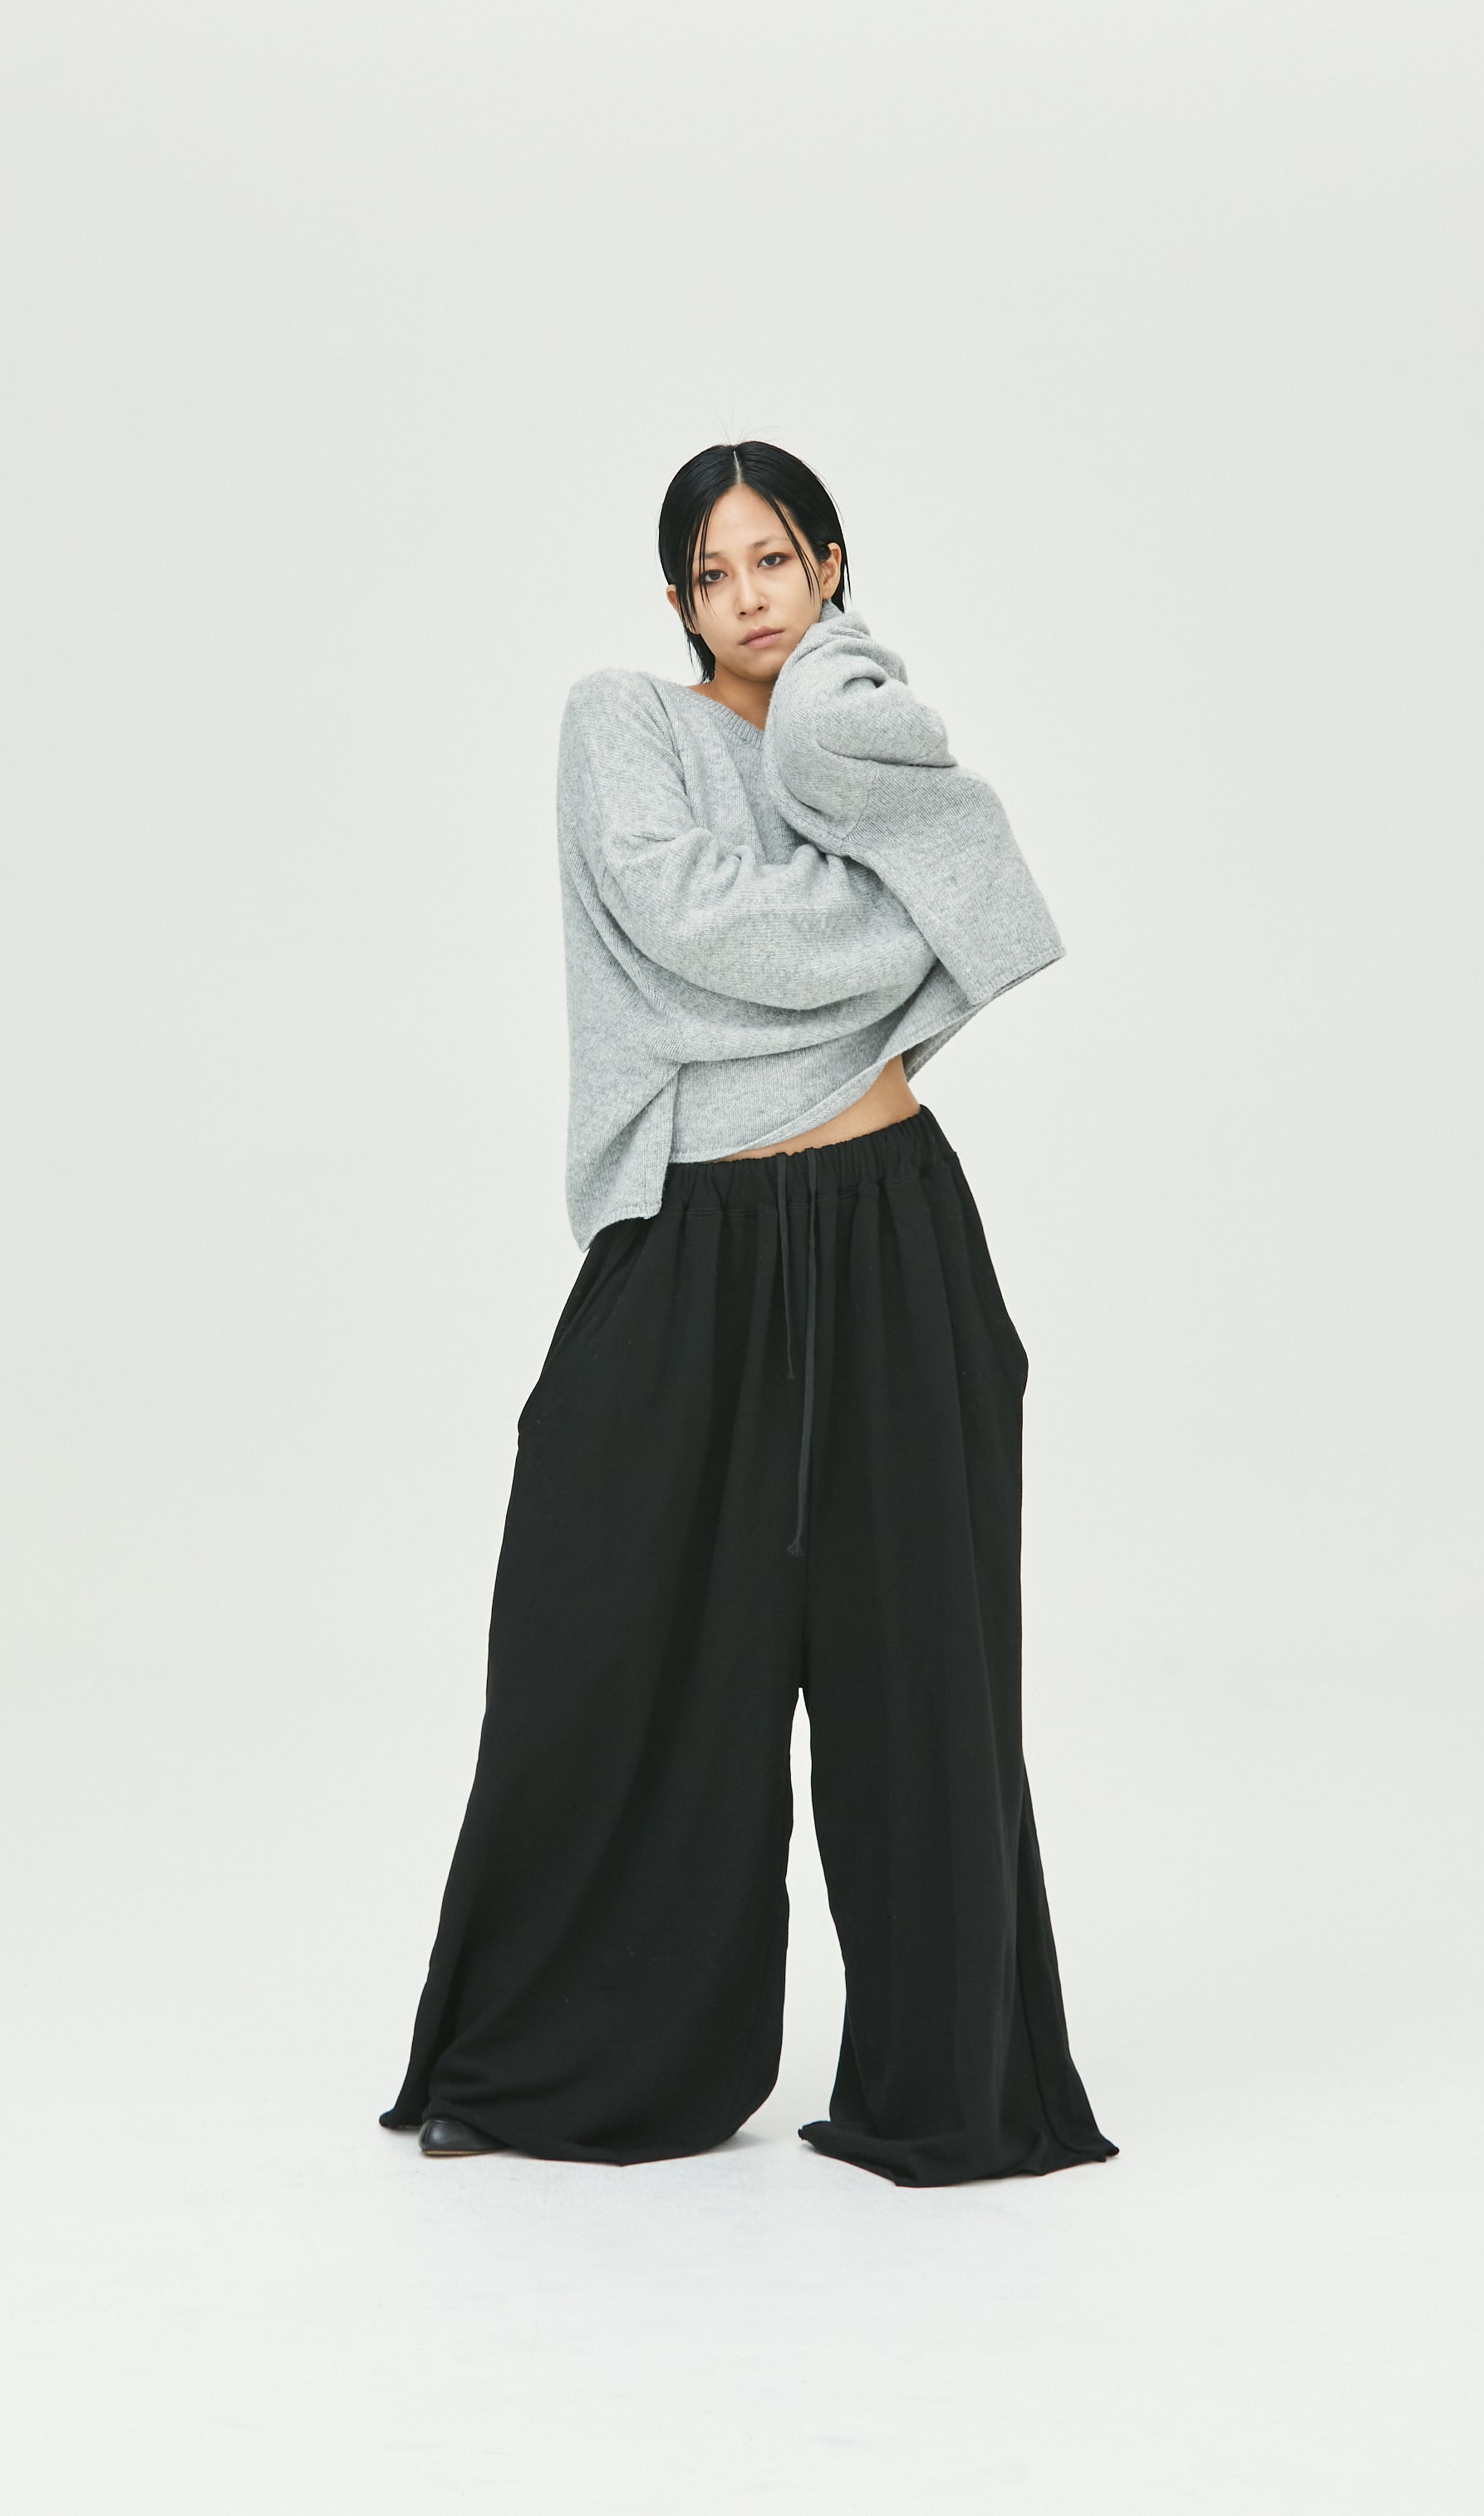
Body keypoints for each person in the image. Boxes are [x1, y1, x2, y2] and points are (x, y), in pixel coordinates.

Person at [379, 440, 1116, 2188]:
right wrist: (883, 919)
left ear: (830, 563)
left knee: (920, 1667)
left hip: (893, 1226)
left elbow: (976, 900)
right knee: (604, 1640)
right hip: (692, 1232)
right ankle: (571, 2066)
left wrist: (836, 736)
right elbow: (683, 914)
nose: (747, 597)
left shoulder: (858, 737)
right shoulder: (621, 723)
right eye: (712, 574)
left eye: (774, 559)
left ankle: (951, 2092)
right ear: (676, 600)